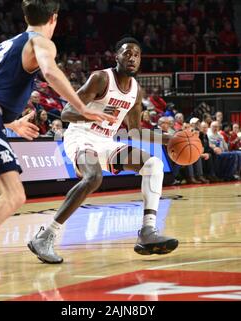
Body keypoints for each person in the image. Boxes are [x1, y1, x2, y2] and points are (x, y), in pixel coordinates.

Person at [0, 0, 114, 295]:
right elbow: (51, 72)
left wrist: (11, 124)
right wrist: (81, 107)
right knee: (14, 196)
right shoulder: (40, 41)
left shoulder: (8, 43)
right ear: (53, 18)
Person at [28, 37, 179, 264]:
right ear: (116, 56)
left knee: (154, 165)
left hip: (106, 141)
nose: (132, 58)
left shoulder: (136, 91)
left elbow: (135, 133)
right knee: (94, 177)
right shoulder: (100, 79)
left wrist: (168, 139)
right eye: (127, 53)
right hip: (81, 135)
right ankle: (46, 235)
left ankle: (147, 231)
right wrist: (91, 114)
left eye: (137, 55)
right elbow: (66, 113)